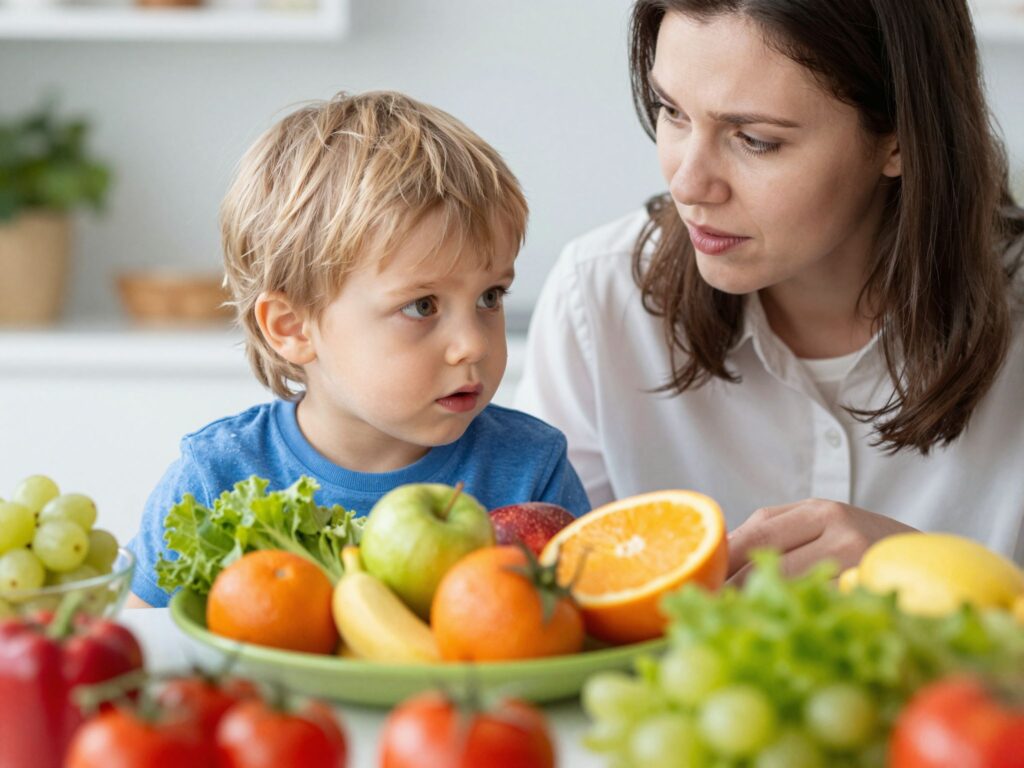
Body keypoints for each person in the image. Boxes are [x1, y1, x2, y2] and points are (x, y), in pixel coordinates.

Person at [516, 0, 1024, 581]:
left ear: (900, 138)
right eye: (671, 111)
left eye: (754, 139)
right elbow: (538, 608)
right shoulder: (599, 300)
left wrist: (929, 570)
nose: (687, 183)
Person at [127, 91, 590, 608]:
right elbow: (141, 645)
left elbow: (581, 634)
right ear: (292, 328)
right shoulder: (216, 478)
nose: (473, 344)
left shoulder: (532, 470)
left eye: (490, 297)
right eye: (422, 306)